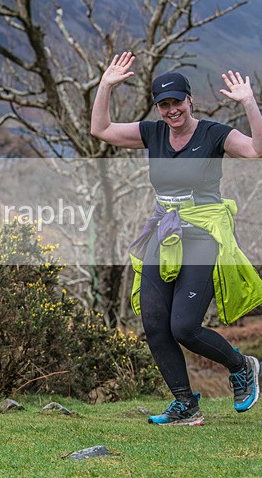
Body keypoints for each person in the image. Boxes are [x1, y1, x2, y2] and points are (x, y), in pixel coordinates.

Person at [91, 51, 262, 426]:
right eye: (164, 104)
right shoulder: (152, 133)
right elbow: (101, 129)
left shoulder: (213, 134)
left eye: (177, 102)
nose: (172, 110)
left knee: (183, 327)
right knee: (153, 322)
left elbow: (256, 149)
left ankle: (242, 366)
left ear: (190, 100)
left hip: (202, 233)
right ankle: (185, 404)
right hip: (165, 232)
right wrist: (105, 85)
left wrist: (249, 102)